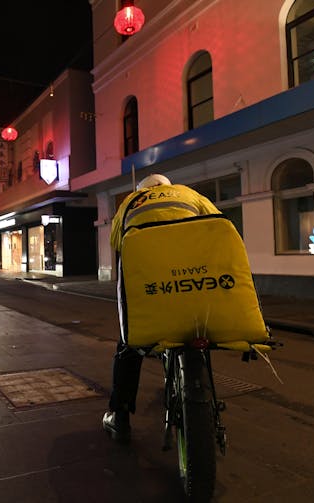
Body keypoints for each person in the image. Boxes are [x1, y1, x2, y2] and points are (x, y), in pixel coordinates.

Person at [103, 173, 221, 442]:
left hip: (153, 288)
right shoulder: (190, 195)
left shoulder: (131, 202)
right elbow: (220, 226)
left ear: (142, 189)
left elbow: (116, 242)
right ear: (169, 187)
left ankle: (120, 417)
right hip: (193, 282)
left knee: (128, 346)